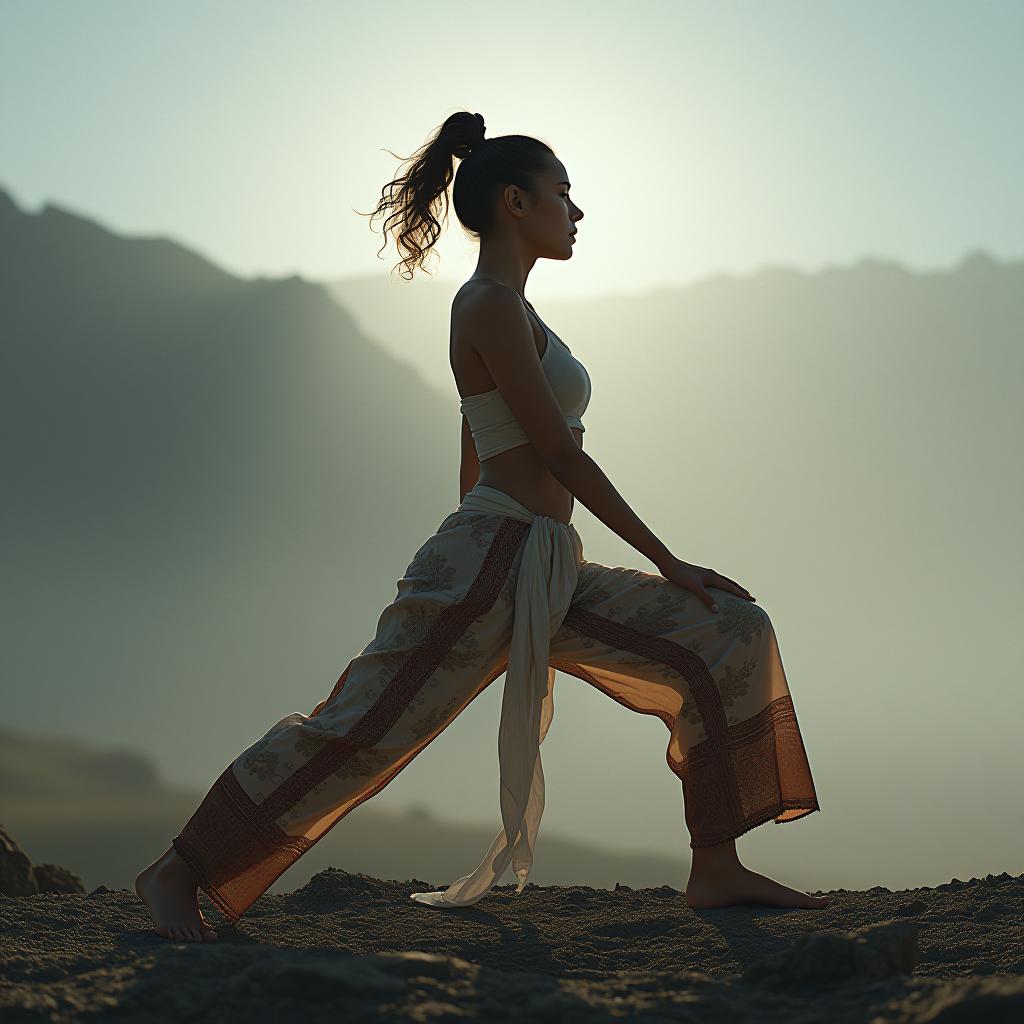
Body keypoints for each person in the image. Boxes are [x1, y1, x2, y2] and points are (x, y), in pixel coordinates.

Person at [135, 110, 825, 942]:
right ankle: (177, 871)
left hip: (540, 563)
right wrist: (670, 561)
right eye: (563, 194)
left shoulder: (515, 311)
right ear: (514, 202)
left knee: (731, 631)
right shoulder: (489, 305)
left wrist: (641, 570)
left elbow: (476, 434)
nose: (577, 211)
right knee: (358, 730)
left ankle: (716, 866)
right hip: (489, 565)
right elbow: (559, 461)